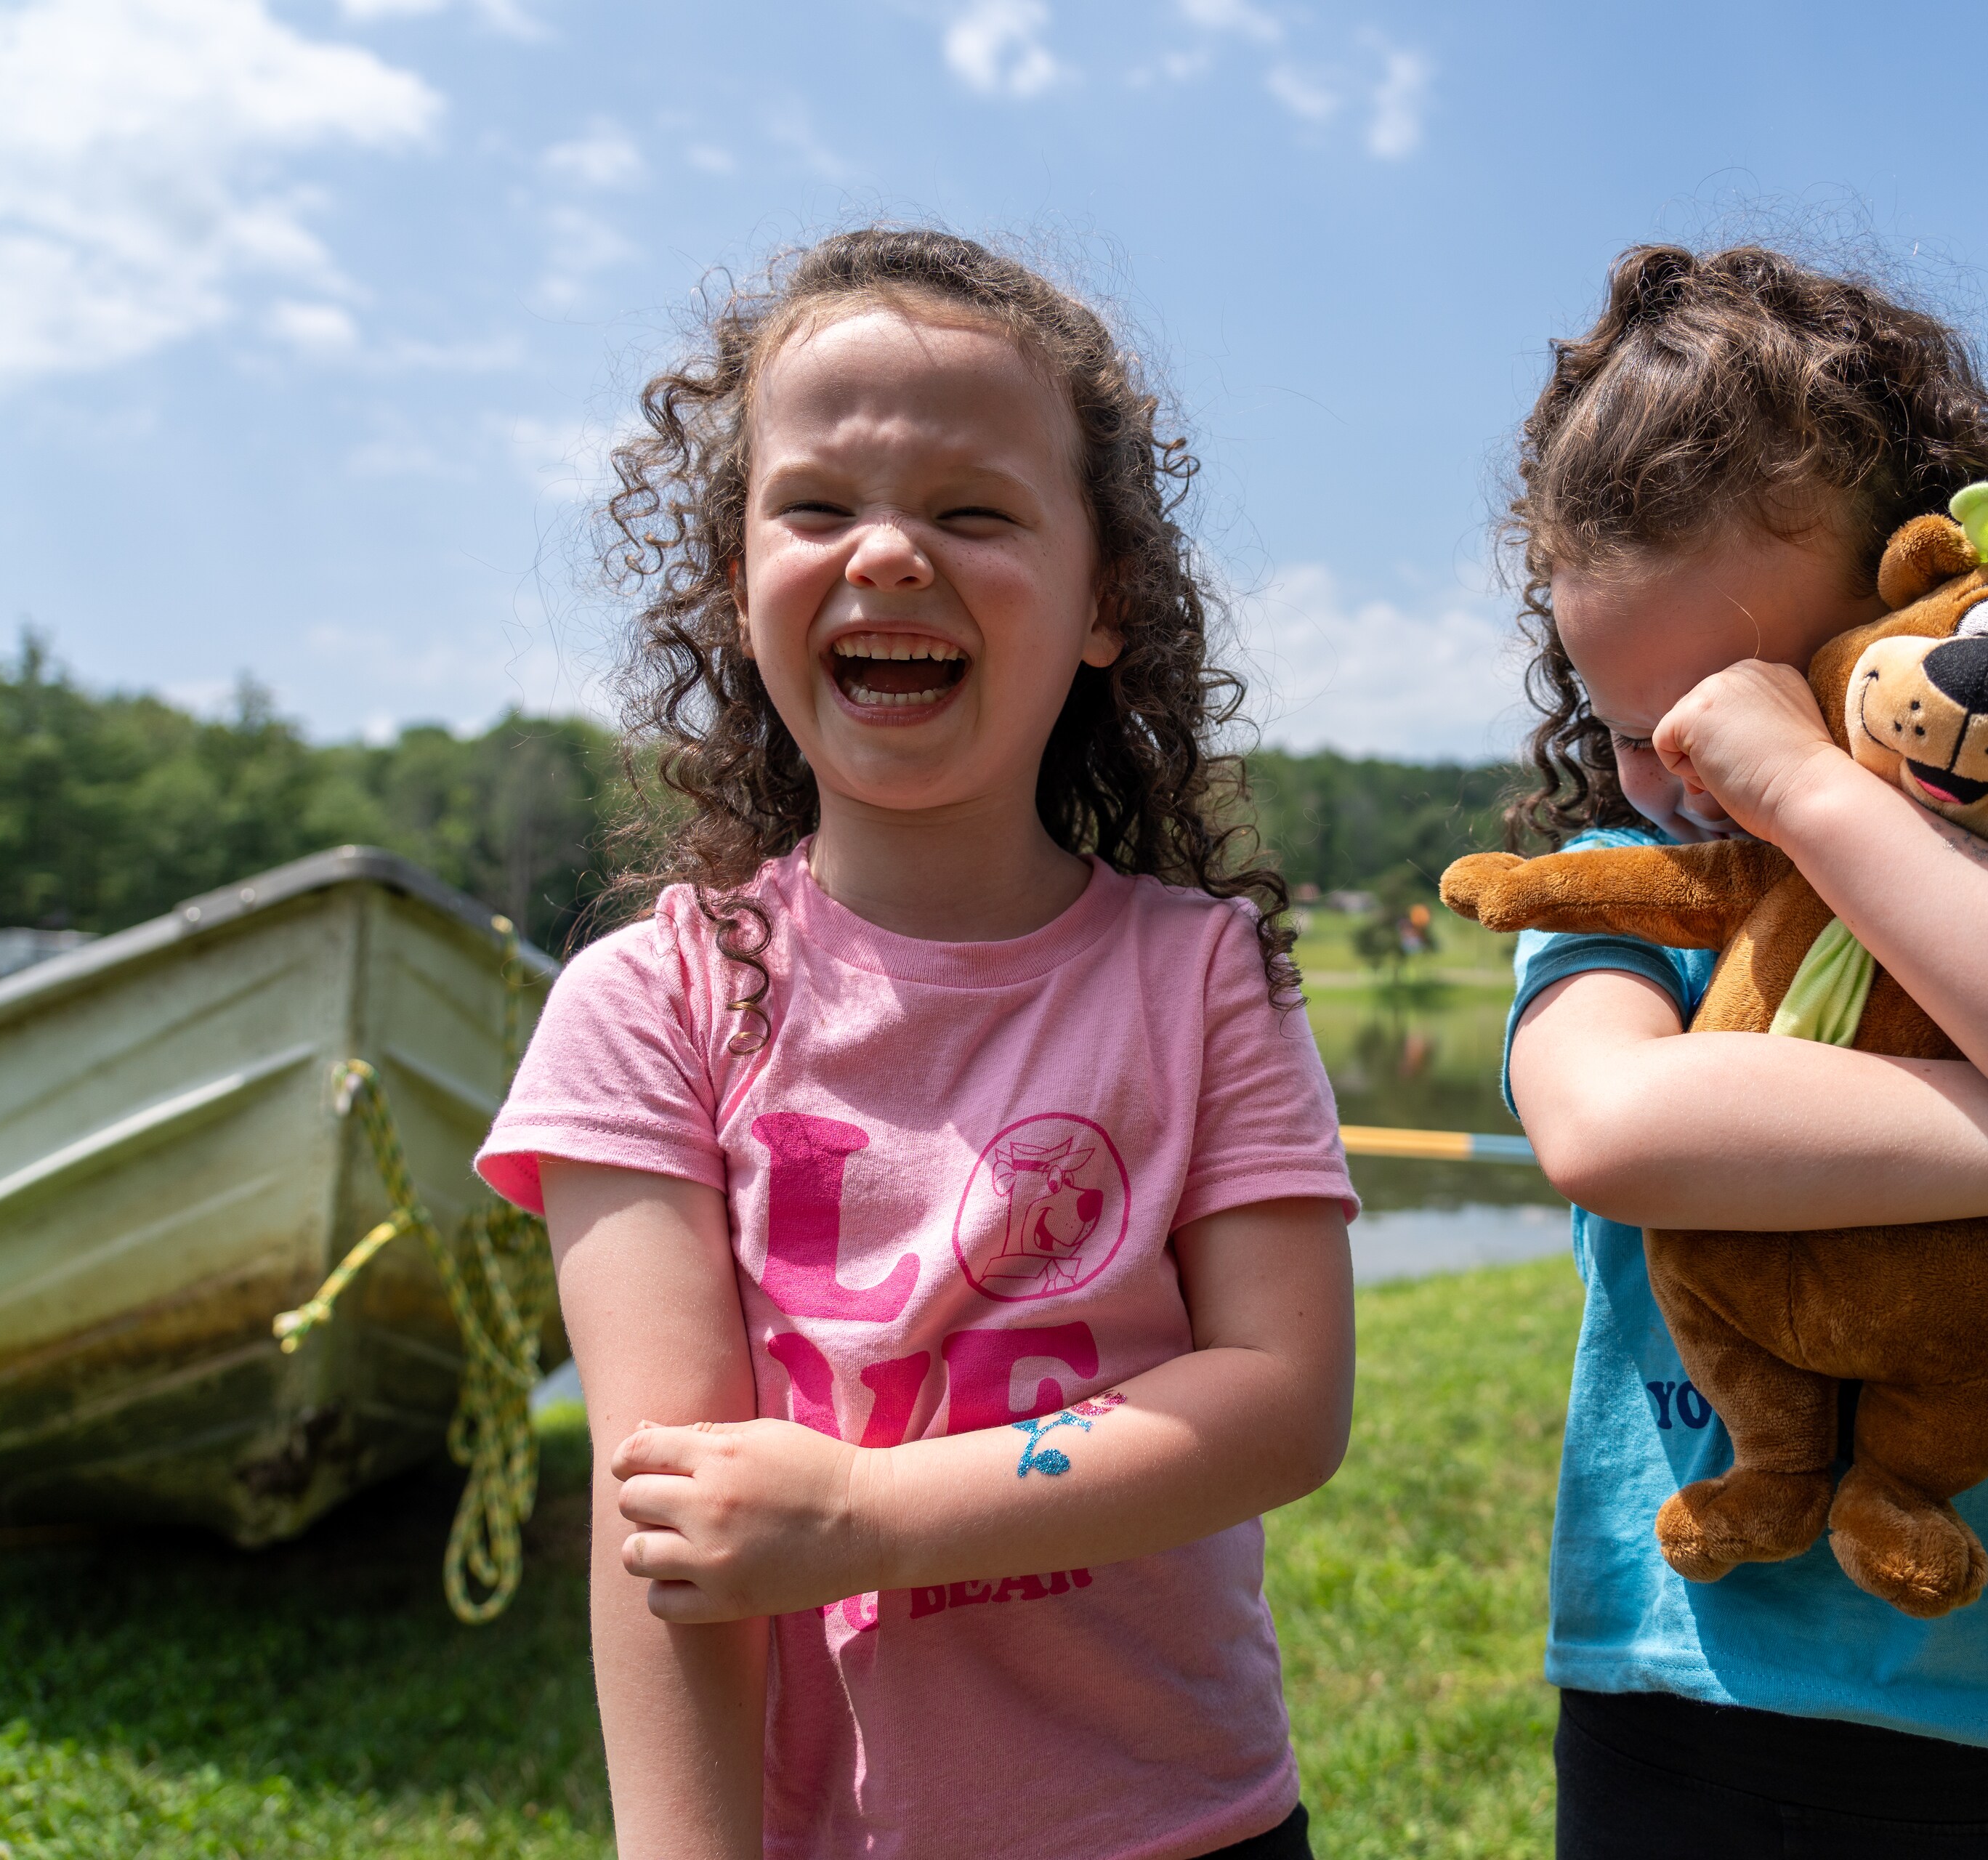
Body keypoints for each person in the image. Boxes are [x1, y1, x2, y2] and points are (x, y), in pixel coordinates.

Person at [475, 227, 1355, 1860]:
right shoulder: (646, 1004)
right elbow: (663, 1516)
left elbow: (1285, 1398)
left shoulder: (1204, 975)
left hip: (1189, 1831)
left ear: (1106, 601)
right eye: (816, 506)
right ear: (735, 583)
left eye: (973, 511)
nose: (885, 552)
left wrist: (868, 1515)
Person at [1497, 243, 1988, 1858]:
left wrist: (1814, 791)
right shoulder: (1622, 890)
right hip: (1673, 1685)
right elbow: (1618, 1127)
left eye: (1740, 700)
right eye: (1630, 727)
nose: (1692, 773)